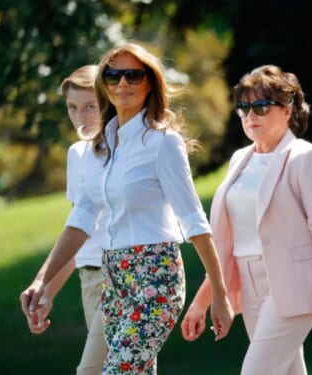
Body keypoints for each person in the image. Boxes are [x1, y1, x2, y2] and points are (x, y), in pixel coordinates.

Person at [21, 42, 234, 374]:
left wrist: (219, 293)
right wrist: (42, 280)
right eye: (113, 75)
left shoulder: (162, 142)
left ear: (149, 82)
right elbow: (82, 219)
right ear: (103, 84)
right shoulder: (100, 147)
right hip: (115, 278)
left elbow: (193, 219)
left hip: (156, 275)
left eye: (133, 75)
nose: (122, 83)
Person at [180, 64, 312, 375]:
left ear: (287, 110)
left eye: (261, 106)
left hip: (293, 286)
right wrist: (202, 301)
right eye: (244, 107)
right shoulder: (239, 159)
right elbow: (228, 243)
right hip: (248, 283)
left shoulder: (307, 158)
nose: (249, 115)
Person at [18, 64, 108, 374]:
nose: (80, 118)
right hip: (89, 279)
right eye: (72, 108)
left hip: (122, 276)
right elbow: (78, 230)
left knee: (92, 371)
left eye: (90, 107)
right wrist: (46, 292)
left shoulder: (125, 149)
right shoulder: (77, 154)